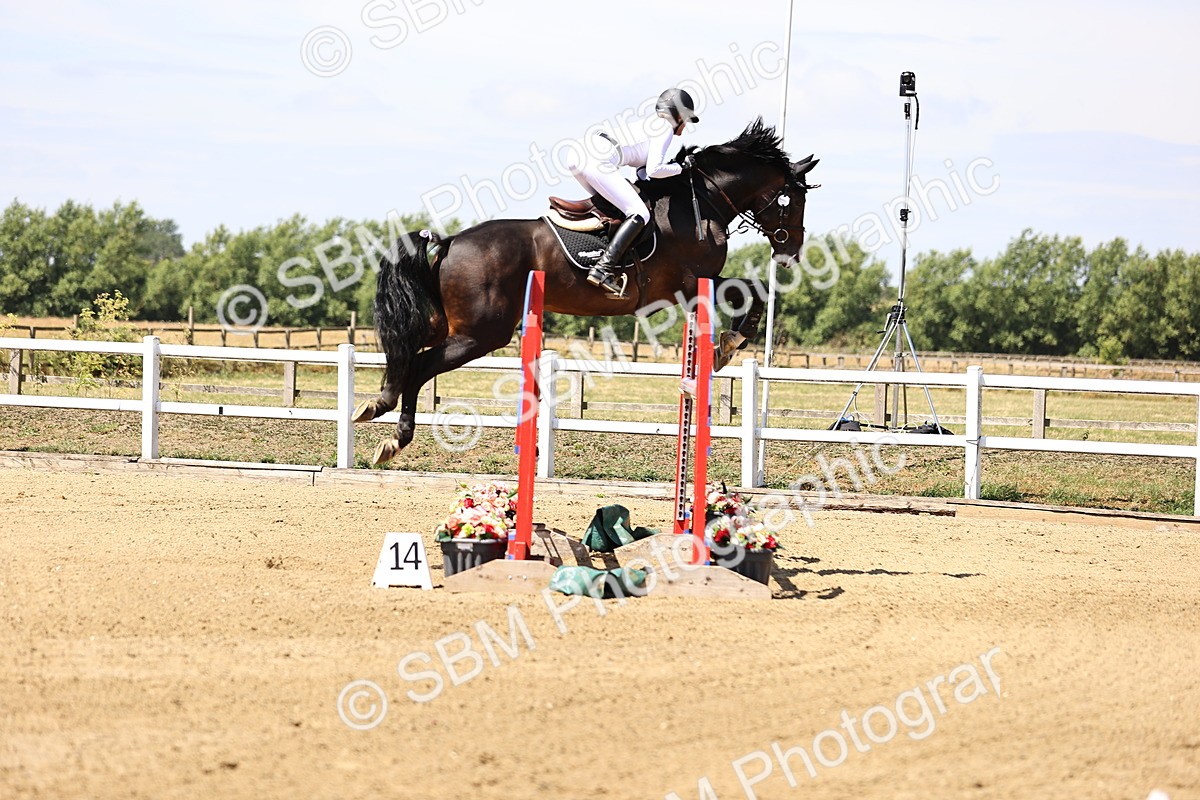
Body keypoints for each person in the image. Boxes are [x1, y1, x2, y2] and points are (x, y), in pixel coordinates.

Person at [567, 87, 699, 298]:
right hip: (596, 159)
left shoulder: (649, 125)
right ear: (678, 116)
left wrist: (672, 168)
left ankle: (593, 254)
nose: (685, 126)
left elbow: (644, 173)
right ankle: (603, 268)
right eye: (686, 119)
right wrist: (682, 167)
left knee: (610, 208)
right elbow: (655, 170)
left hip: (578, 155)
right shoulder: (664, 127)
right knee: (640, 213)